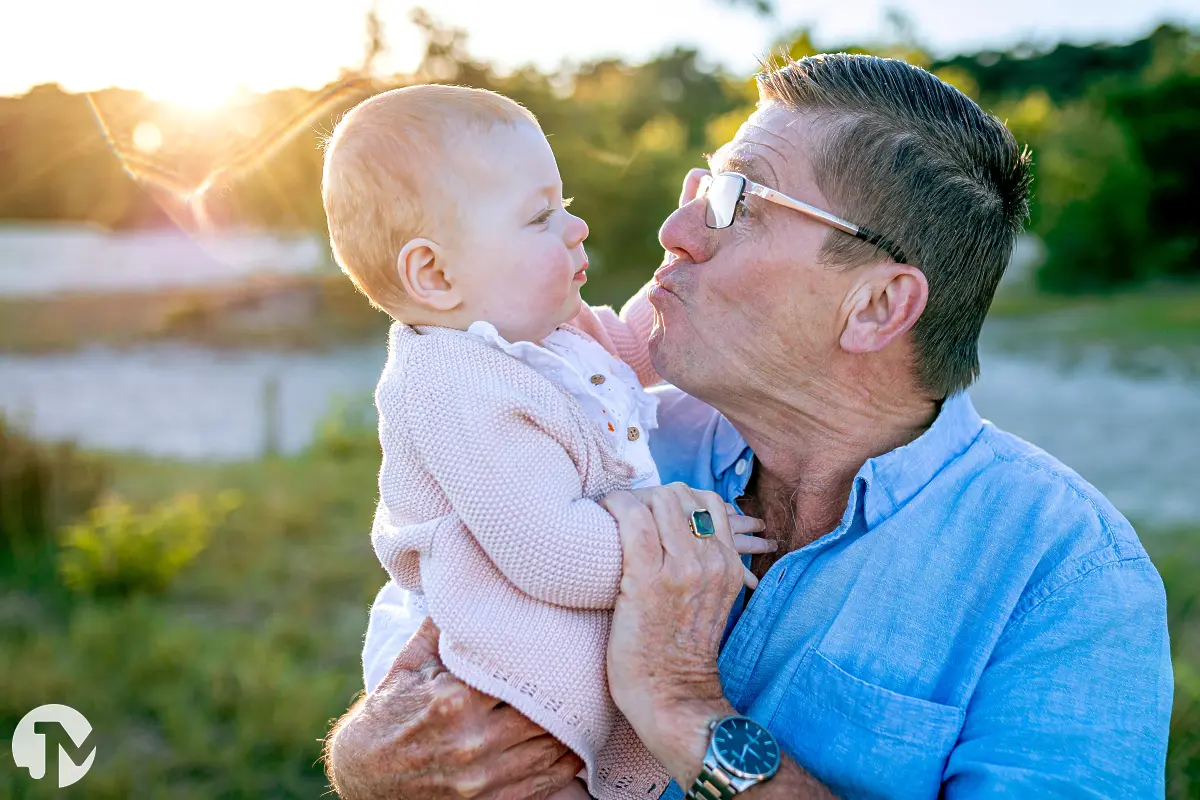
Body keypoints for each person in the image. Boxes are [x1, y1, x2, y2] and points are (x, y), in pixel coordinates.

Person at [325, 55, 1173, 799]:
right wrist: (370, 759)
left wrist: (686, 708)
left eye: (735, 199)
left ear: (877, 305)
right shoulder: (608, 431)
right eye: (699, 185)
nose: (676, 230)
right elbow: (436, 641)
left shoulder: (1067, 578)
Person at [320, 84, 770, 800]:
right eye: (539, 216)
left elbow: (632, 348)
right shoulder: (451, 381)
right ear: (433, 274)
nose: (576, 226)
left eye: (564, 202)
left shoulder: (547, 331)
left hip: (538, 666)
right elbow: (551, 553)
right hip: (486, 677)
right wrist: (686, 541)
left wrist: (685, 280)